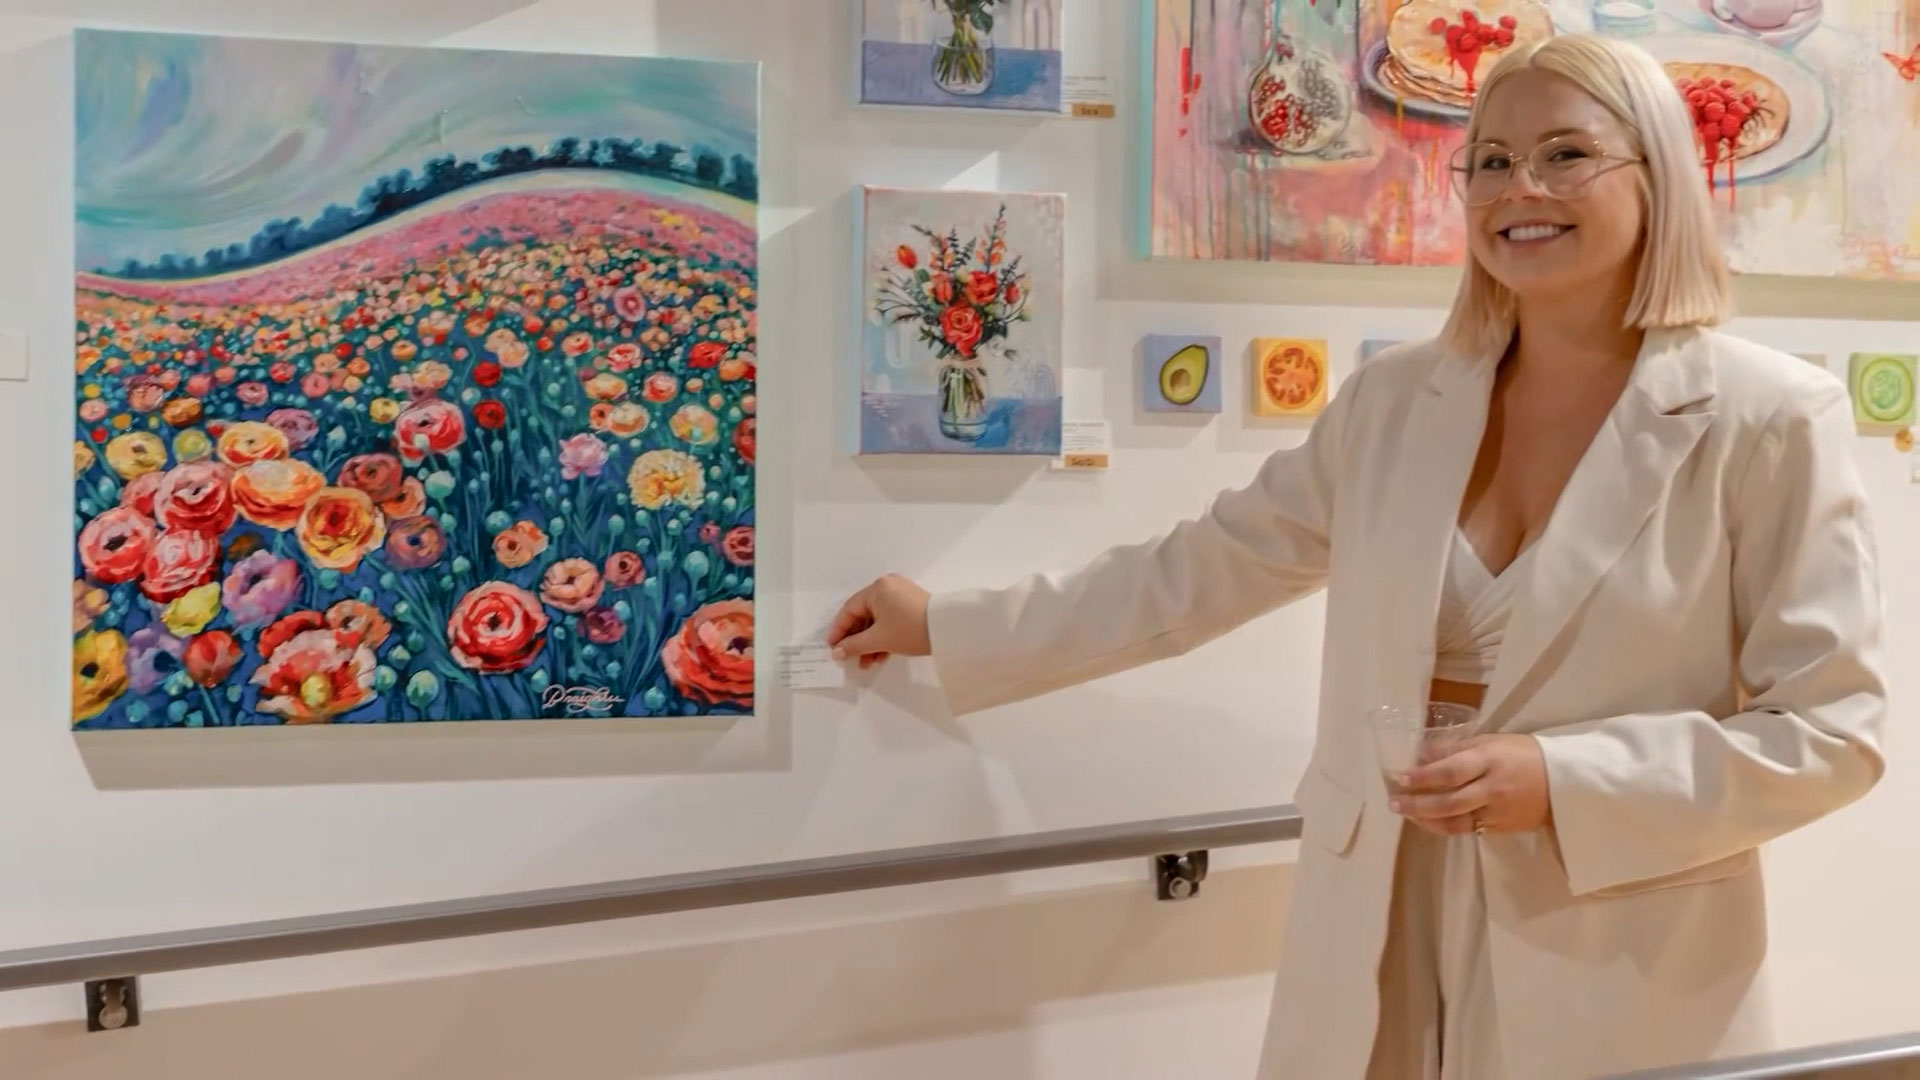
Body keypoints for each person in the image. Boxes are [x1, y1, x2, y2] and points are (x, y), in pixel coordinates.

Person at [826, 31, 1887, 1080]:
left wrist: (1564, 780)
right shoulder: (1396, 405)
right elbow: (1196, 572)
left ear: (1656, 173)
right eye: (1491, 161)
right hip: (1377, 904)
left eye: (1566, 154)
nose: (1522, 187)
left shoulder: (1767, 418)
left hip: (1613, 933)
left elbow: (1833, 731)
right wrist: (951, 626)